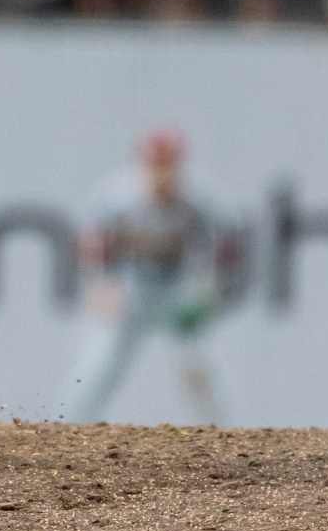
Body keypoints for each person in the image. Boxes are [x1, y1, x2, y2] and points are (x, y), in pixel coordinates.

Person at [64, 128, 234, 425]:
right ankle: (64, 430)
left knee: (196, 365)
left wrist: (206, 290)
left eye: (169, 164)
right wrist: (101, 286)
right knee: (98, 364)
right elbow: (90, 247)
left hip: (176, 294)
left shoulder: (200, 200)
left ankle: (222, 437)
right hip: (131, 292)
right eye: (155, 164)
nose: (162, 173)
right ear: (142, 164)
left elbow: (226, 250)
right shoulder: (116, 196)